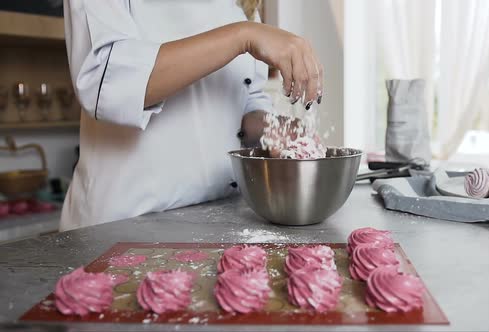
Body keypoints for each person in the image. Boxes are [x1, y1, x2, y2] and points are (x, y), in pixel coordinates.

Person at [60, 0, 324, 231]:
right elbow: (106, 80)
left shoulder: (244, 4)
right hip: (122, 224)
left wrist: (275, 129)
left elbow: (246, 100)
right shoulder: (246, 31)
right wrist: (242, 36)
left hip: (217, 217)